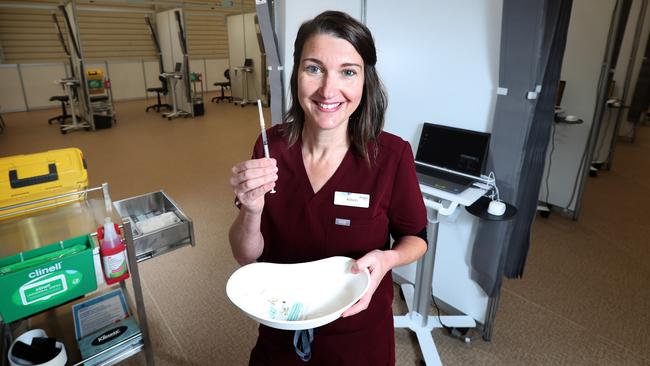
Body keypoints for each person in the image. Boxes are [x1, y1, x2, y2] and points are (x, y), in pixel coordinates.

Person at [229, 10, 427, 365]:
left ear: (365, 80)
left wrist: (388, 258)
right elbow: (246, 256)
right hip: (281, 327)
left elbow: (416, 238)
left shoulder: (393, 155)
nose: (328, 90)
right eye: (314, 68)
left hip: (358, 334)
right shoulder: (270, 147)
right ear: (296, 74)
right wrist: (252, 210)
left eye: (348, 72)